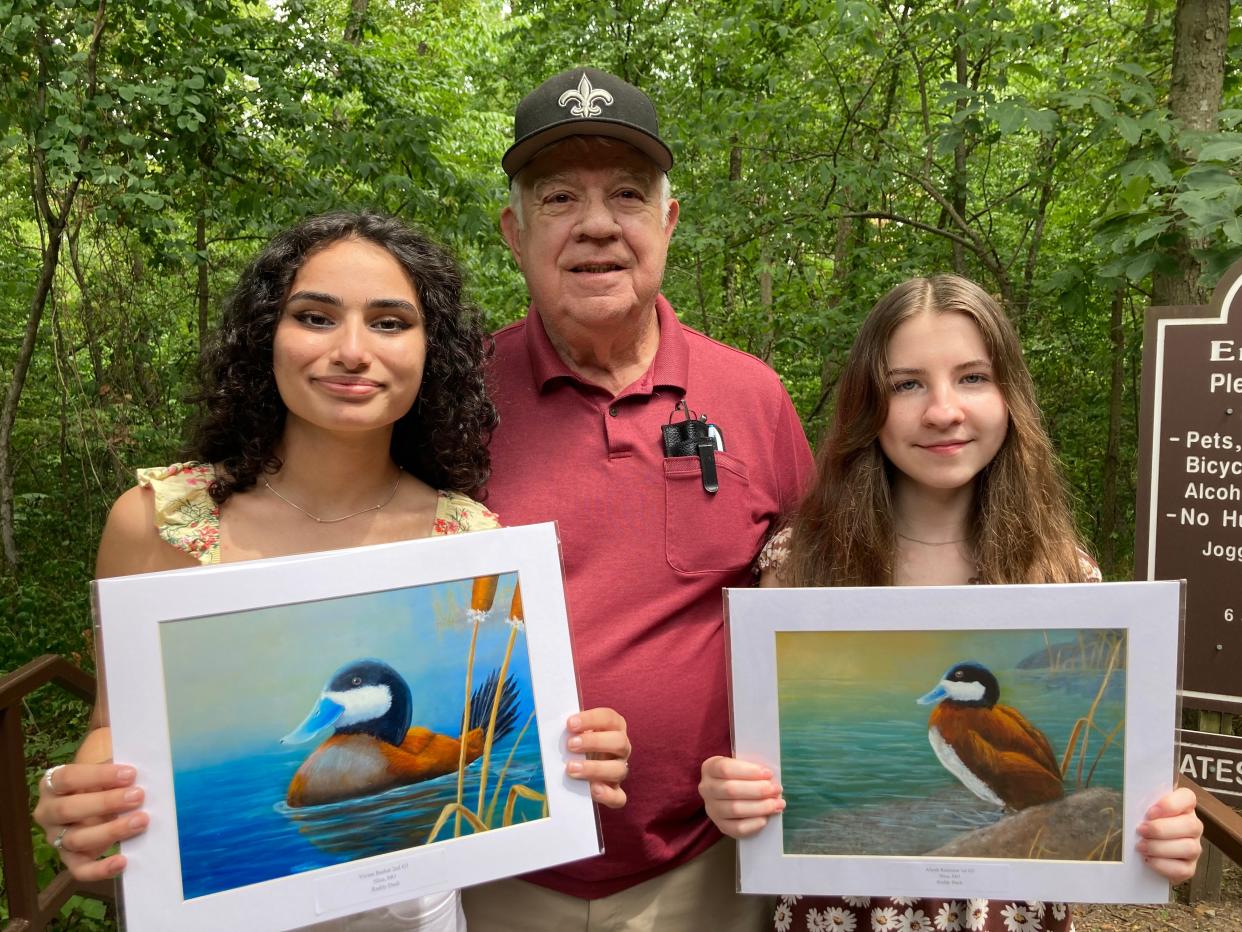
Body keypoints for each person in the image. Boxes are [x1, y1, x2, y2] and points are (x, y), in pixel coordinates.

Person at [32, 211, 631, 931]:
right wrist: (83, 800)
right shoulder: (154, 523)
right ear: (266, 338)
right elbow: (111, 726)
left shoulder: (470, 536)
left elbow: (526, 744)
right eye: (315, 317)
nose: (351, 351)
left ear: (430, 351)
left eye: (389, 323)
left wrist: (579, 752)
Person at [698, 274, 1204, 932]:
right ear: (868, 406)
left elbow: (1108, 809)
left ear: (1010, 396)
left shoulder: (1064, 576)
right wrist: (732, 792)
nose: (942, 411)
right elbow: (766, 769)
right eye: (907, 384)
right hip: (840, 914)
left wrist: (1158, 832)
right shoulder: (797, 567)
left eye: (972, 377)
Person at [458, 68, 814, 930]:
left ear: (668, 220)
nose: (595, 225)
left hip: (706, 869)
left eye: (626, 193)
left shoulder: (752, 396)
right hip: (495, 866)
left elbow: (829, 597)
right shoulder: (449, 399)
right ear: (514, 230)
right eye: (558, 197)